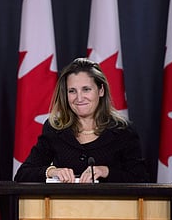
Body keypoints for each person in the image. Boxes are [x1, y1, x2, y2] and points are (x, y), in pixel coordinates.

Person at [14, 57, 149, 183]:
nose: (79, 98)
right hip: (65, 207)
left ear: (101, 90)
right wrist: (51, 171)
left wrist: (106, 171)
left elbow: (141, 179)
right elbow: (22, 175)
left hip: (111, 208)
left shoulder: (123, 130)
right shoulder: (55, 129)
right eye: (72, 91)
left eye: (86, 89)